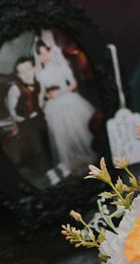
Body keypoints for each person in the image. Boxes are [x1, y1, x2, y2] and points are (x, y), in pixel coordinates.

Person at [35, 38, 96, 175]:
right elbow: (42, 94)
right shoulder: (40, 75)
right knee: (63, 136)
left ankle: (89, 160)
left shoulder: (61, 67)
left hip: (68, 99)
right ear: (38, 57)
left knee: (77, 130)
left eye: (46, 52)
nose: (45, 56)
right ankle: (71, 164)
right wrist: (48, 96)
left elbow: (73, 84)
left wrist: (61, 92)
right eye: (41, 54)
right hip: (54, 106)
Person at [3, 56, 57, 186]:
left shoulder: (39, 83)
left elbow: (41, 100)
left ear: (34, 68)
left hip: (39, 118)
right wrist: (23, 119)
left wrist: (42, 109)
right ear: (18, 75)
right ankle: (44, 175)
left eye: (28, 69)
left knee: (47, 142)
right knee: (36, 148)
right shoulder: (15, 89)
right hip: (25, 123)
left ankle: (52, 169)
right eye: (22, 72)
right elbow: (12, 110)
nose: (26, 74)